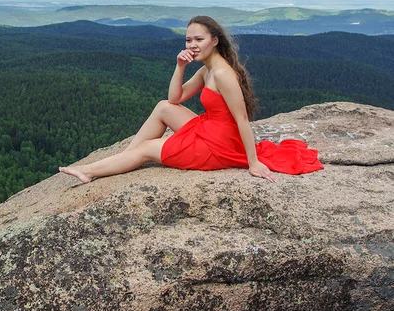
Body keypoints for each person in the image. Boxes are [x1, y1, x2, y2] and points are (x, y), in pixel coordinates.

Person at [58, 15, 323, 184]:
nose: (192, 44)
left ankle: (91, 171)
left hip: (218, 146)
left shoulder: (222, 74)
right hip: (210, 129)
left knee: (148, 148)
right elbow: (175, 98)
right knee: (163, 107)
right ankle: (125, 159)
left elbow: (242, 118)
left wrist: (252, 162)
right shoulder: (206, 68)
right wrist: (179, 66)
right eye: (188, 40)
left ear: (215, 40)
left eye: (199, 39)